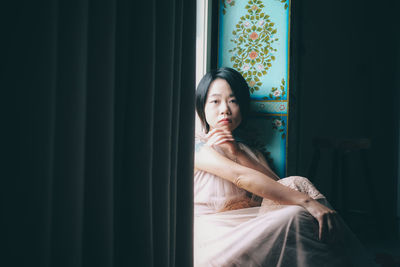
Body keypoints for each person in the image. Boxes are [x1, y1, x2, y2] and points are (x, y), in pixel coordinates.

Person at [194, 67, 375, 266]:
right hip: (213, 238)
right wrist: (308, 203)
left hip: (251, 229)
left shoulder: (250, 152)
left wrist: (236, 151)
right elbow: (239, 176)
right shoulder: (197, 146)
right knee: (298, 214)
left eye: (233, 100)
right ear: (202, 106)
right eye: (215, 101)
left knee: (297, 183)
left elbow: (279, 188)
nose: (225, 109)